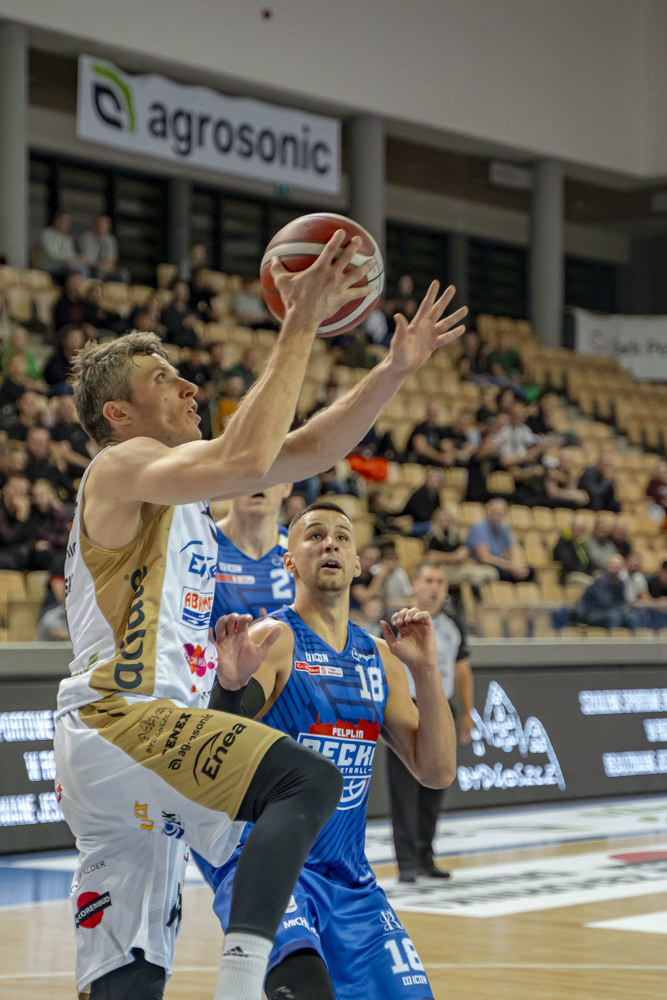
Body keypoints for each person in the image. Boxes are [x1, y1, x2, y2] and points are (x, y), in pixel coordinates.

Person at [53, 230, 468, 999]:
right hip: (126, 722)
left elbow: (305, 449)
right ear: (118, 412)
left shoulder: (181, 492)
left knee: (128, 981)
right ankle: (241, 982)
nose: (188, 386)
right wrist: (301, 317)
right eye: (163, 378)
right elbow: (249, 458)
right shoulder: (119, 465)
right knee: (304, 783)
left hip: (136, 758)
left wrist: (391, 371)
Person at [196, 501, 456, 1000]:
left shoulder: (381, 658)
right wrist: (228, 687)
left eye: (342, 536)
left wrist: (426, 671)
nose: (330, 543)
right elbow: (214, 759)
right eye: (314, 535)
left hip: (348, 876)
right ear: (289, 561)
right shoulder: (271, 641)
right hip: (267, 863)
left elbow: (436, 771)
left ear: (357, 564)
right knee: (305, 989)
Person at [386, 559, 471, 884]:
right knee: (403, 790)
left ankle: (426, 857)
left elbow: (462, 669)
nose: (434, 587)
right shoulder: (396, 622)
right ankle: (407, 863)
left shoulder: (452, 626)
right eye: (429, 580)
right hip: (405, 707)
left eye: (440, 581)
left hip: (441, 707)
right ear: (415, 585)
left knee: (435, 787)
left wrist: (466, 712)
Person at [211, 483, 295, 625]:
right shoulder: (201, 545)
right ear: (228, 483)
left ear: (287, 486)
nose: (259, 482)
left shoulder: (298, 551)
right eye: (249, 473)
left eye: (271, 474)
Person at [466, 497, 535, 581]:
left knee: (530, 571)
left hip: (501, 564)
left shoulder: (504, 528)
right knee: (499, 573)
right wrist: (510, 566)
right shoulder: (479, 528)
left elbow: (513, 549)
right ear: (489, 512)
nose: (499, 515)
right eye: (496, 512)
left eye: (501, 513)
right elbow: (485, 558)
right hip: (486, 566)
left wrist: (517, 566)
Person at [573, 553, 641, 631]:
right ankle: (612, 638)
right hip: (592, 612)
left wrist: (626, 608)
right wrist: (621, 608)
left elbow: (622, 602)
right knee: (614, 615)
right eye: (614, 564)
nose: (616, 567)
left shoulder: (620, 583)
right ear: (607, 565)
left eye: (619, 564)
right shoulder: (600, 581)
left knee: (632, 616)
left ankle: (633, 638)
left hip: (612, 610)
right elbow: (604, 603)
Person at [80, 215, 130, 282]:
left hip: (106, 268)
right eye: (100, 224)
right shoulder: (86, 237)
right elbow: (88, 259)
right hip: (90, 268)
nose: (102, 226)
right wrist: (100, 264)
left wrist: (104, 265)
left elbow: (111, 261)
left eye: (105, 224)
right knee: (98, 271)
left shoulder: (110, 239)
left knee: (124, 273)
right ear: (95, 224)